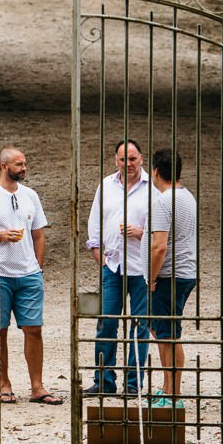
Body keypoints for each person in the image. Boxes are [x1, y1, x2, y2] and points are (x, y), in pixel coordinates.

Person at [0, 147, 61, 404]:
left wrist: (38, 268)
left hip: (28, 276)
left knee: (34, 329)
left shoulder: (31, 195)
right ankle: (3, 384)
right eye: (19, 164)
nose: (24, 168)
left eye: (25, 163)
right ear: (4, 166)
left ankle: (37, 386)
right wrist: (0, 236)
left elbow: (39, 233)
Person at [83, 139, 152, 396]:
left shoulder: (152, 189)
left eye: (133, 159)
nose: (128, 164)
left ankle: (134, 385)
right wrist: (98, 252)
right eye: (123, 159)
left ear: (141, 159)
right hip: (112, 265)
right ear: (116, 161)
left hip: (142, 268)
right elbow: (95, 220)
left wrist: (141, 232)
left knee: (140, 325)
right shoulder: (106, 186)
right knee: (106, 323)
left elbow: (161, 230)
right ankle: (104, 381)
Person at [146, 148, 197, 408]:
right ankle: (167, 388)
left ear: (155, 170)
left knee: (168, 334)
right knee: (162, 330)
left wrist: (151, 278)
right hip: (183, 272)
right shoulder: (186, 197)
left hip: (170, 275)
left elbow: (159, 246)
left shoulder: (164, 201)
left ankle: (173, 394)